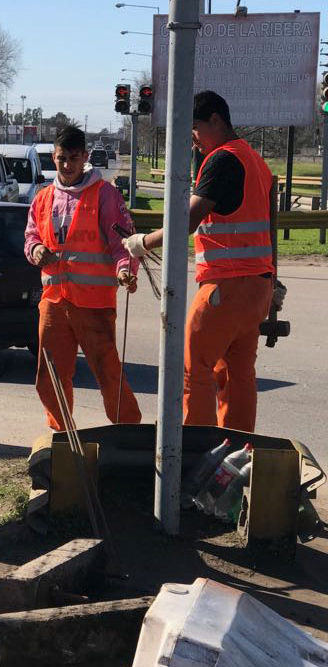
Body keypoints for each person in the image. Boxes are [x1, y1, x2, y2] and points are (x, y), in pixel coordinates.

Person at [123, 91, 274, 432]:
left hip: (226, 287)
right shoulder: (254, 160)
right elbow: (267, 224)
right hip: (256, 288)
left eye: (194, 127)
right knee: (238, 374)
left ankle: (193, 450)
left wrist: (143, 243)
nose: (192, 137)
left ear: (215, 120)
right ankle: (236, 449)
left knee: (194, 368)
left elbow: (186, 221)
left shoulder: (222, 160)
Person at [25, 125, 142, 431]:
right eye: (61, 158)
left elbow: (123, 243)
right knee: (50, 376)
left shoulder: (105, 195)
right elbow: (31, 236)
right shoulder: (43, 198)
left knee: (108, 373)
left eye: (73, 158)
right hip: (54, 302)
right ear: (54, 157)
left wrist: (125, 270)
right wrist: (36, 250)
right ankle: (63, 435)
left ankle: (130, 433)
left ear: (85, 157)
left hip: (94, 303)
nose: (67, 165)